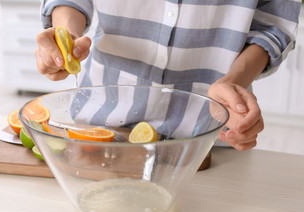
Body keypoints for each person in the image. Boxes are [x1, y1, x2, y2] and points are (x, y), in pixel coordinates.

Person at [35, 1, 301, 151]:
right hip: (99, 128)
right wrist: (66, 36)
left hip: (208, 135)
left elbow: (274, 24)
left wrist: (235, 80)